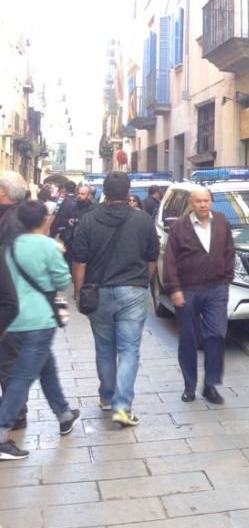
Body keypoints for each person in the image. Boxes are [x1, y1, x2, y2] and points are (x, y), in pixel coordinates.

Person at [71, 171, 160, 427]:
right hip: (132, 290)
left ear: (105, 193)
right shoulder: (143, 220)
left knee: (104, 348)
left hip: (97, 292)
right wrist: (143, 282)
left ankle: (107, 397)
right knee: (129, 349)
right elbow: (152, 257)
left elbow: (79, 260)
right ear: (128, 191)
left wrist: (79, 291)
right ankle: (122, 406)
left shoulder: (88, 220)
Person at [0, 201, 79, 460]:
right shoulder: (47, 245)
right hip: (39, 320)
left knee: (47, 367)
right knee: (22, 378)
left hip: (13, 320)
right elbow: (62, 279)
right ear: (44, 219)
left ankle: (64, 415)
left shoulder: (11, 247)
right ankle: (1, 435)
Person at [162, 187, 235, 404]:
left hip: (216, 289)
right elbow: (170, 260)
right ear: (191, 204)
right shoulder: (179, 227)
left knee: (216, 335)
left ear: (211, 202)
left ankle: (210, 384)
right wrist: (174, 288)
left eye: (206, 200)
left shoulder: (221, 222)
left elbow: (229, 250)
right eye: (198, 201)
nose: (203, 205)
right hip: (188, 290)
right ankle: (189, 385)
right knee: (188, 339)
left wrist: (227, 278)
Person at [0, 171, 29, 431]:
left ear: (3, 192)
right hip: (12, 302)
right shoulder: (13, 216)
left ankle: (16, 413)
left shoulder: (11, 221)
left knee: (9, 360)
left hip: (10, 304)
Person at [50, 184, 94, 262]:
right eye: (79, 193)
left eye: (83, 194)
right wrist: (68, 221)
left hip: (84, 242)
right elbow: (63, 218)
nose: (79, 196)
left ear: (89, 195)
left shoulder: (93, 208)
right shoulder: (73, 205)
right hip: (70, 241)